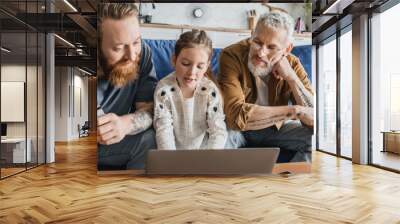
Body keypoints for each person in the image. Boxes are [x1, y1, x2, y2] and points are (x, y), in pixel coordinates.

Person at [218, 10, 314, 162]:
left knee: (317, 141)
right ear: (252, 35)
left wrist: (291, 77)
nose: (261, 53)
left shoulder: (293, 64)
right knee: (217, 140)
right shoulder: (231, 55)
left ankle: (290, 182)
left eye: (271, 47)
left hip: (275, 129)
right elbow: (235, 116)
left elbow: (314, 119)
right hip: (236, 130)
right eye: (257, 42)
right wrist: (294, 111)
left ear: (287, 49)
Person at [97, 3, 158, 170]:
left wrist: (126, 124)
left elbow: (149, 108)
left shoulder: (142, 53)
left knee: (151, 138)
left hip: (119, 140)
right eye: (118, 48)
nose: (131, 55)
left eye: (136, 42)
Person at [153, 30, 228, 150]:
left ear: (207, 66)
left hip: (204, 154)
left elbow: (218, 131)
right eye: (185, 63)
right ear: (174, 60)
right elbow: (163, 131)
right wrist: (170, 163)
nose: (192, 72)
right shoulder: (164, 89)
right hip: (172, 155)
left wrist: (210, 161)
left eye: (200, 66)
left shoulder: (210, 91)